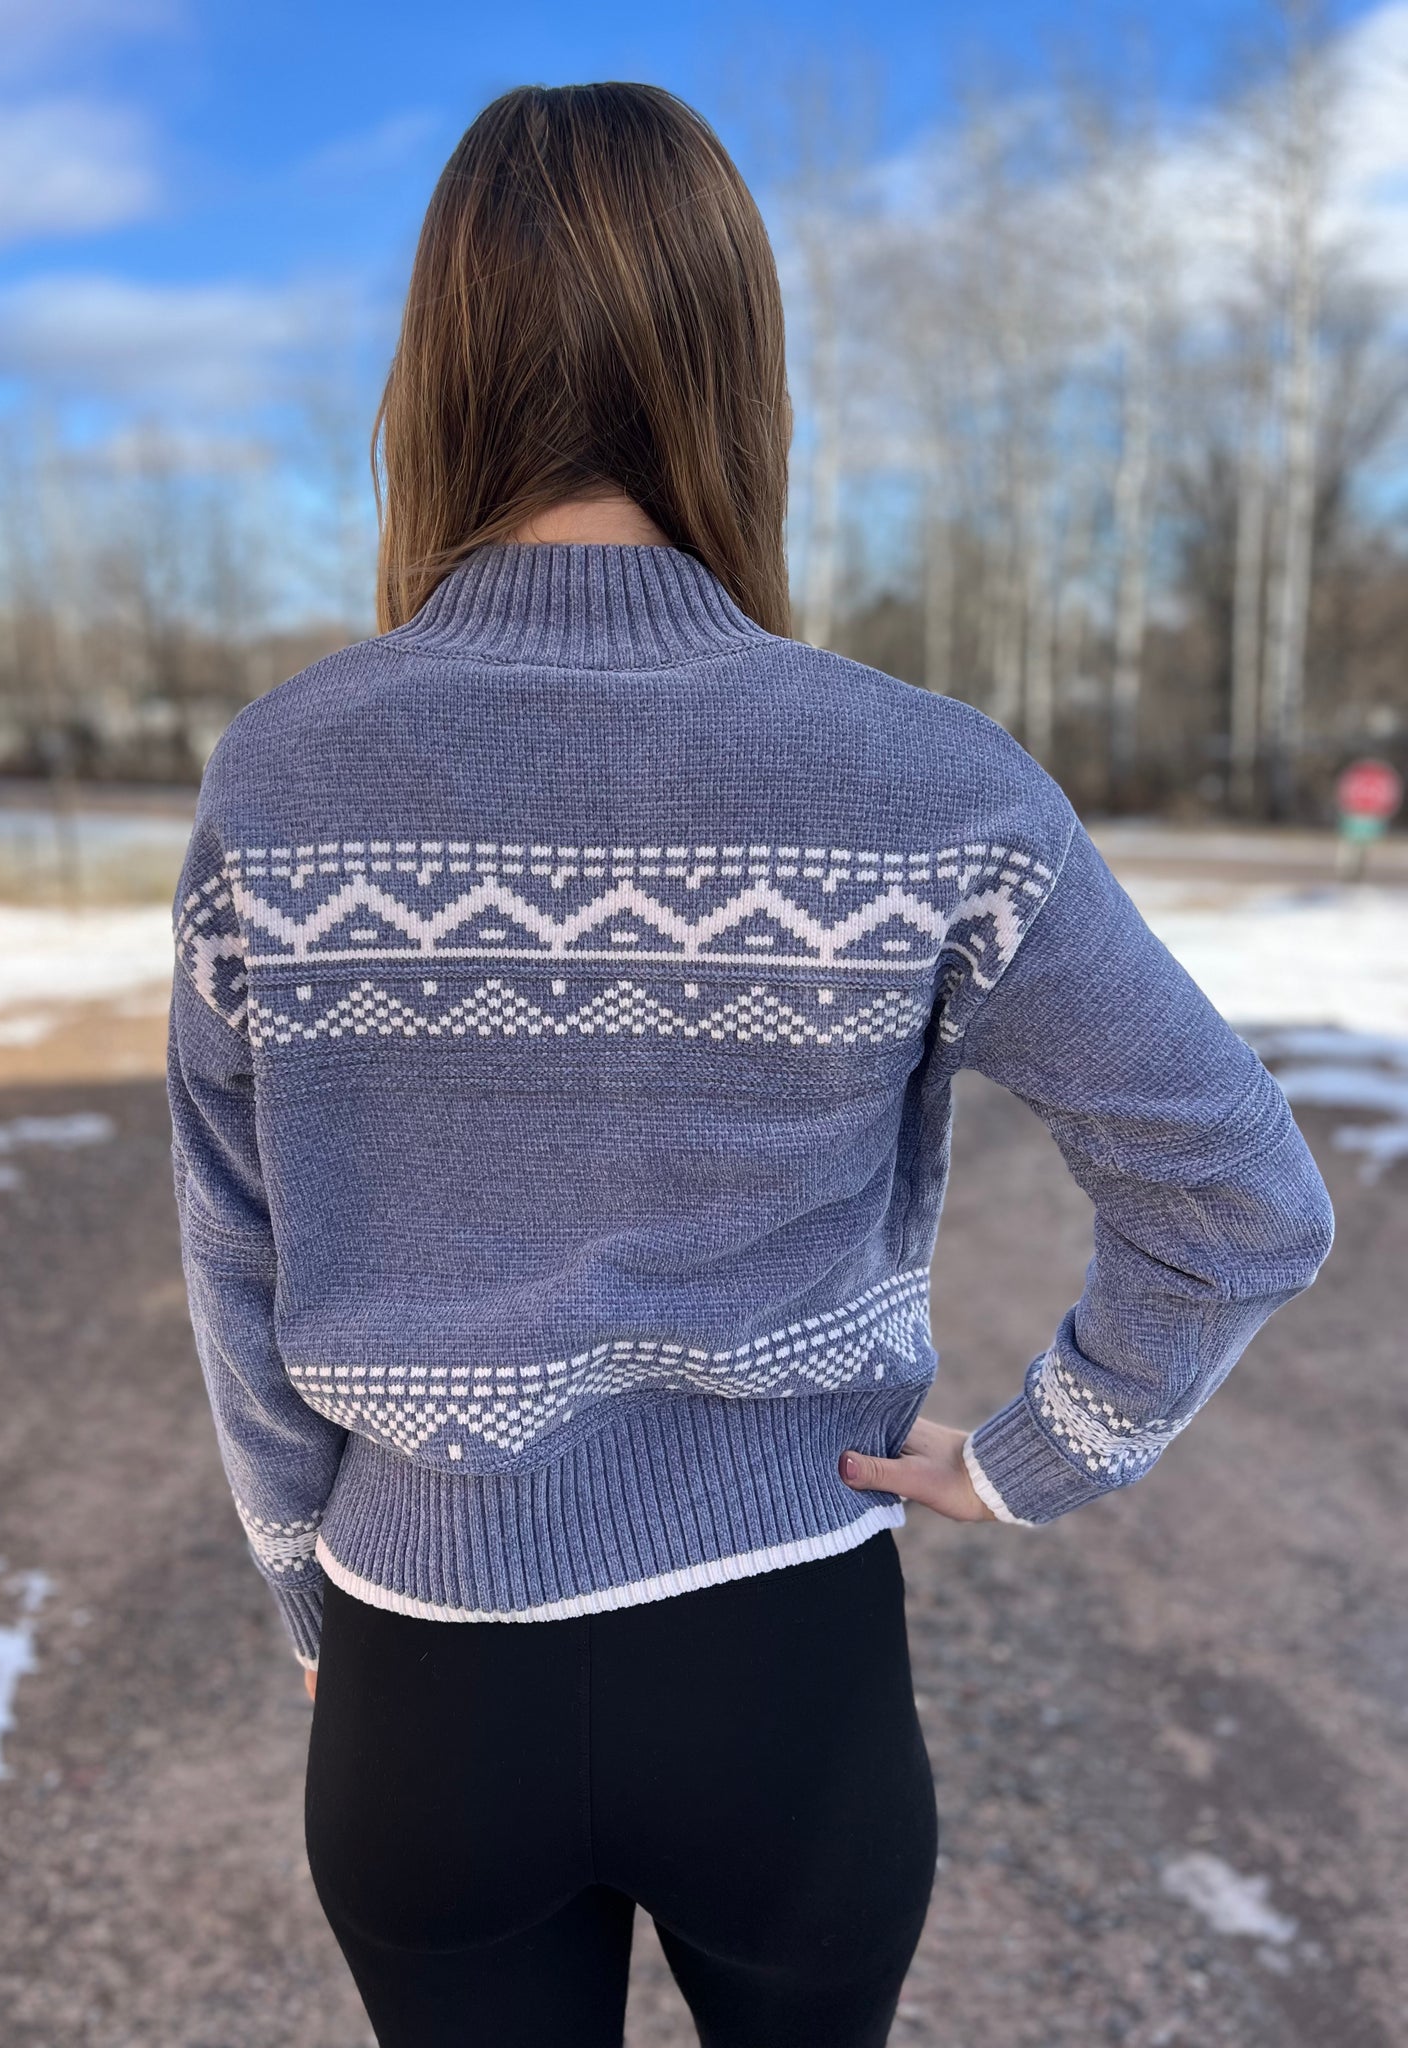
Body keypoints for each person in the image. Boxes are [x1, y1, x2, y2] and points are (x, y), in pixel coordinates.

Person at [166, 81, 1335, 2048]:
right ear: (739, 374)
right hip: (787, 1674)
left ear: (433, 371)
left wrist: (311, 1591)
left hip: (423, 1689)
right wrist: (1034, 1457)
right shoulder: (933, 780)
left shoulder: (281, 781)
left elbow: (235, 1249)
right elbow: (1239, 1198)